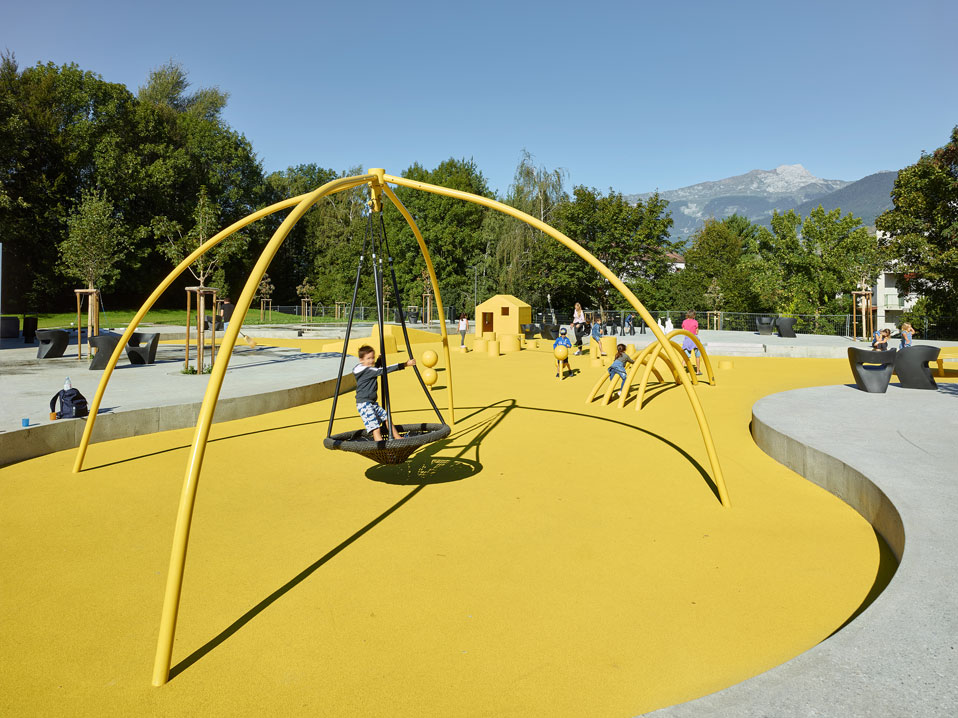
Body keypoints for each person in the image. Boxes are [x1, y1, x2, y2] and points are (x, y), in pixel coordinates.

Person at [353, 345, 415, 441]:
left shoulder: (362, 369)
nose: (371, 360)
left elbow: (374, 369)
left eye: (372, 358)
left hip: (372, 403)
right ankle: (381, 447)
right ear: (361, 360)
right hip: (364, 404)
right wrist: (405, 364)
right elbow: (384, 370)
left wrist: (378, 360)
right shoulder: (368, 370)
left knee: (387, 418)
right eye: (368, 358)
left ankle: (398, 437)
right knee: (375, 428)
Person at [681, 310, 702, 375]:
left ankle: (681, 370)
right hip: (694, 340)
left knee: (685, 356)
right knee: (697, 356)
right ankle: (698, 371)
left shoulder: (684, 321)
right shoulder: (695, 322)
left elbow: (683, 331)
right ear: (694, 315)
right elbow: (696, 332)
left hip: (687, 340)